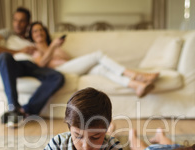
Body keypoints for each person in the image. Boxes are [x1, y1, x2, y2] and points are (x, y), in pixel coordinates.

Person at [16, 21, 159, 98]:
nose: (39, 32)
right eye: (35, 31)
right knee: (98, 55)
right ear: (31, 35)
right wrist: (53, 47)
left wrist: (55, 48)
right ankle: (134, 74)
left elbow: (70, 60)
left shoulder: (55, 46)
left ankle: (135, 85)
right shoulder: (34, 49)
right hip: (58, 73)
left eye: (41, 30)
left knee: (101, 68)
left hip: (72, 68)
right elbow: (41, 64)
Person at [0, 7, 65, 127]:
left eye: (22, 21)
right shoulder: (8, 34)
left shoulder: (33, 34)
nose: (18, 24)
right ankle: (13, 106)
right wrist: (18, 51)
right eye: (15, 20)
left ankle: (24, 111)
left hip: (33, 66)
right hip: (15, 65)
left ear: (28, 23)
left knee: (57, 77)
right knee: (4, 56)